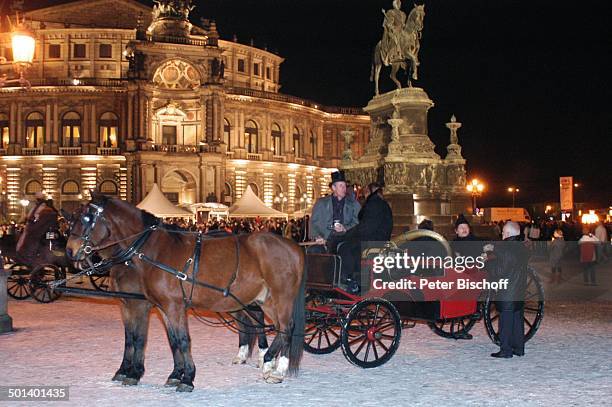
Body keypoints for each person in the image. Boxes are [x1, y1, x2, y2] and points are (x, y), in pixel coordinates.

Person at [327, 182, 393, 293]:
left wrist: (345, 235)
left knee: (345, 248)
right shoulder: (378, 203)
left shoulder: (375, 204)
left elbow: (365, 229)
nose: (362, 193)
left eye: (365, 191)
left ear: (370, 191)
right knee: (346, 246)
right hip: (375, 240)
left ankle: (350, 281)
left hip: (374, 242)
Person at [488, 221, 528, 358]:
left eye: (504, 232)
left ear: (509, 234)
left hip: (507, 291)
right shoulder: (523, 248)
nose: (502, 234)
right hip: (519, 290)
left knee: (505, 321)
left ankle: (505, 350)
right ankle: (519, 348)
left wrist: (489, 266)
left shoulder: (504, 249)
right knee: (517, 320)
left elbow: (500, 271)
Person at [309, 171, 360, 248]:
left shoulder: (353, 204)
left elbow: (358, 221)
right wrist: (317, 236)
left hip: (346, 239)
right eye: (341, 186)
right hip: (325, 239)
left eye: (345, 186)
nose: (344, 188)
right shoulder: (321, 203)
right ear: (333, 188)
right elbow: (314, 222)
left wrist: (345, 228)